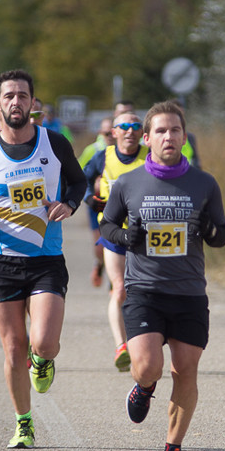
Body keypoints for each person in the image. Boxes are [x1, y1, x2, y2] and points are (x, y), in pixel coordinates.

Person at [0, 69, 87, 449]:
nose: (16, 102)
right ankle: (23, 422)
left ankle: (44, 360)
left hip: (46, 259)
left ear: (33, 103)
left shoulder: (55, 144)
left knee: (42, 343)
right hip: (1, 261)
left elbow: (78, 182)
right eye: (9, 96)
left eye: (23, 95)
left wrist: (69, 204)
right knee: (13, 348)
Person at [99, 100, 225, 451]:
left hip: (188, 293)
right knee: (148, 365)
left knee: (186, 370)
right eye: (160, 130)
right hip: (145, 291)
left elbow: (222, 235)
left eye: (174, 130)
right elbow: (108, 228)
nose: (168, 136)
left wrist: (209, 231)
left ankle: (173, 449)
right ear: (146, 138)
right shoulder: (127, 183)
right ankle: (143, 386)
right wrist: (126, 236)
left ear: (184, 137)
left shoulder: (204, 183)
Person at [84, 111, 147, 370]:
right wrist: (90, 197)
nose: (130, 131)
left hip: (146, 235)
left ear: (142, 133)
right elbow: (83, 180)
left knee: (142, 292)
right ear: (114, 132)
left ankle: (143, 342)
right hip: (113, 231)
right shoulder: (103, 156)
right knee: (119, 289)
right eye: (124, 126)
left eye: (135, 126)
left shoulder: (150, 157)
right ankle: (122, 346)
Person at [77, 117, 115, 287]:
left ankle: (113, 276)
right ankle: (99, 263)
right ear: (100, 133)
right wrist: (89, 195)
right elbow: (79, 174)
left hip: (118, 207)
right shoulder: (93, 151)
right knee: (99, 246)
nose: (110, 135)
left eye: (112, 132)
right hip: (98, 204)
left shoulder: (132, 152)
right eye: (106, 132)